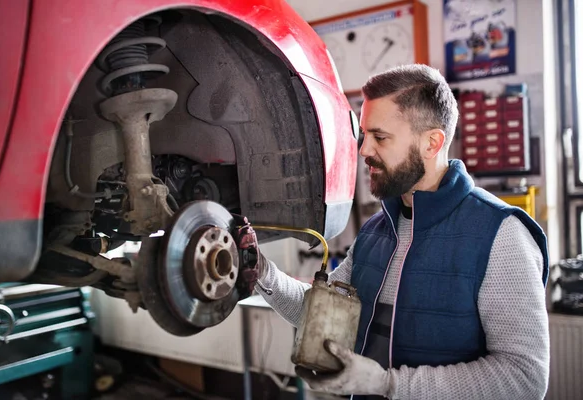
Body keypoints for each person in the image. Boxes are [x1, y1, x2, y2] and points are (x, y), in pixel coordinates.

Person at [234, 64, 550, 400]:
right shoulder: (376, 231)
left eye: (380, 137)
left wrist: (388, 384)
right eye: (364, 135)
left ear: (431, 143)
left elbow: (525, 378)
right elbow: (319, 314)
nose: (364, 150)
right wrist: (261, 271)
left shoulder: (501, 234)